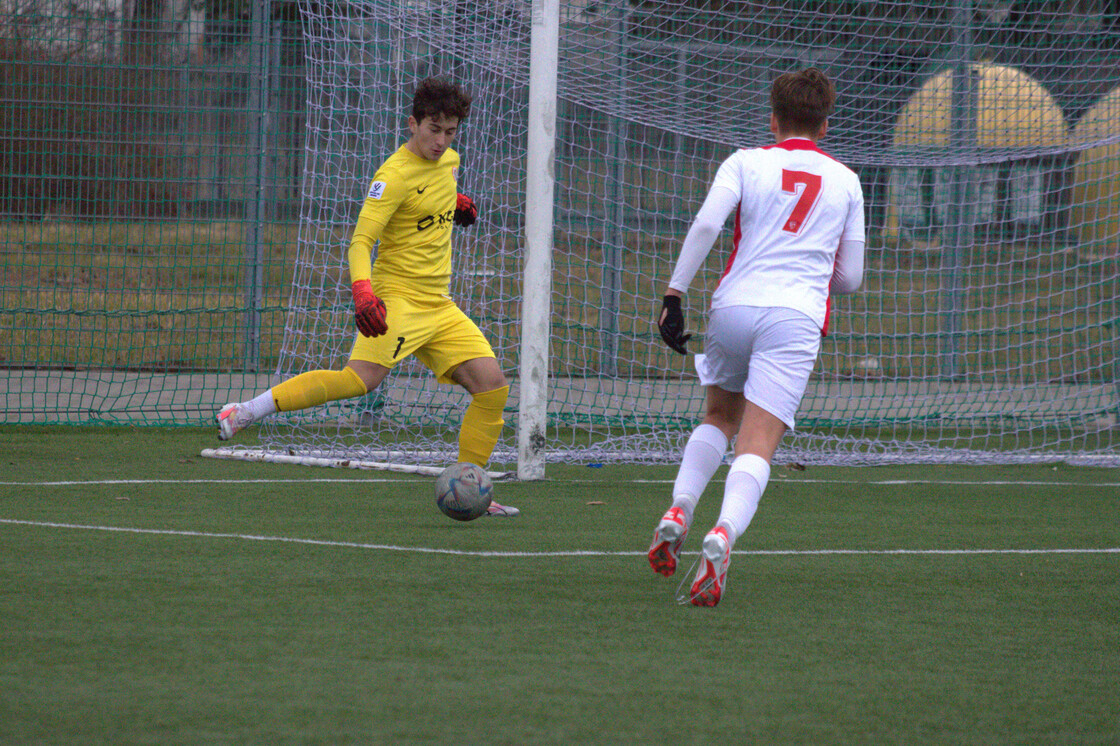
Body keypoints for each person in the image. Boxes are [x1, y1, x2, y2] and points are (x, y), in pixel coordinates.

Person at [216, 77, 519, 517]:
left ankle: (469, 487)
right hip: (397, 298)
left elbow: (436, 190)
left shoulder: (449, 160)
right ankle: (245, 411)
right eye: (433, 129)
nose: (441, 140)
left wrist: (457, 201)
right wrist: (364, 292)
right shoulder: (391, 176)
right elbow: (360, 242)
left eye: (450, 131)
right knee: (360, 381)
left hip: (439, 304)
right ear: (412, 124)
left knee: (491, 387)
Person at [647, 68, 865, 604]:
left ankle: (678, 508)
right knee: (758, 443)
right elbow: (852, 278)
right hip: (794, 317)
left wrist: (674, 295)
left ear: (773, 118)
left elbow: (705, 225)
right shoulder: (847, 180)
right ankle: (721, 535)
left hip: (734, 307)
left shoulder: (745, 161)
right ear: (825, 124)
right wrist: (812, 270)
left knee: (719, 416)